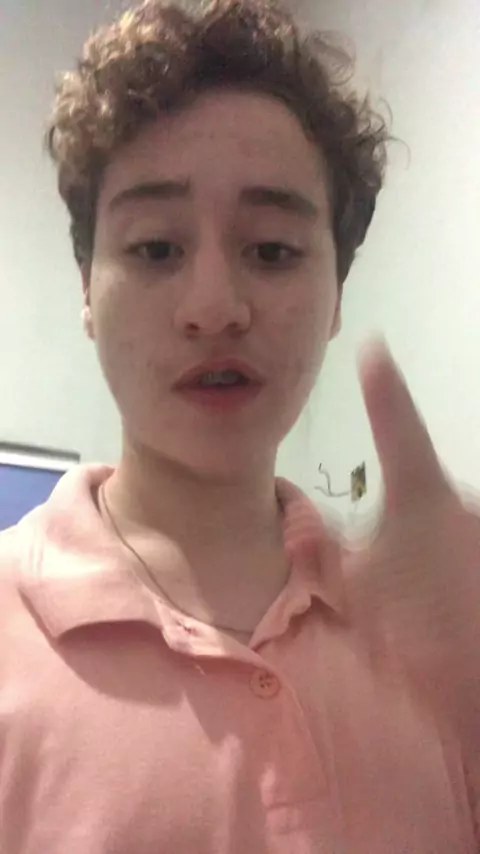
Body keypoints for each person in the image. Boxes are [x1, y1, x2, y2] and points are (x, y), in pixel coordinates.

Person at [1, 0, 479, 851]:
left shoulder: (427, 636)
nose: (215, 307)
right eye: (156, 248)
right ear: (86, 287)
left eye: (272, 250)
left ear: (336, 294)